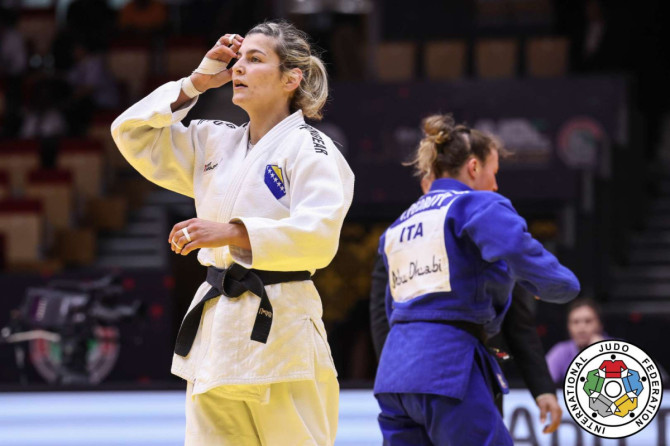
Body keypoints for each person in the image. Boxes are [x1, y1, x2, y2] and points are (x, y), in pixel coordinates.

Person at [111, 21, 354, 445]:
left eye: (255, 59)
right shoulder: (214, 141)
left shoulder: (312, 148)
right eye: (238, 59)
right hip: (217, 336)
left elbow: (318, 236)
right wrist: (195, 83)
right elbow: (130, 133)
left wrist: (231, 232)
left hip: (282, 329)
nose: (238, 67)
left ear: (291, 79)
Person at [373, 114, 580, 445]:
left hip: (394, 377)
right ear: (473, 167)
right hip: (446, 368)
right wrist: (557, 286)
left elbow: (388, 308)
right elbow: (524, 255)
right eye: (493, 172)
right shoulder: (474, 204)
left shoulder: (397, 227)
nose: (495, 185)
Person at [545, 298, 605, 385]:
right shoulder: (561, 351)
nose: (581, 328)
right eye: (575, 322)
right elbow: (543, 382)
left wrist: (600, 355)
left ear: (600, 325)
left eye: (588, 321)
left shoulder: (617, 349)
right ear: (568, 327)